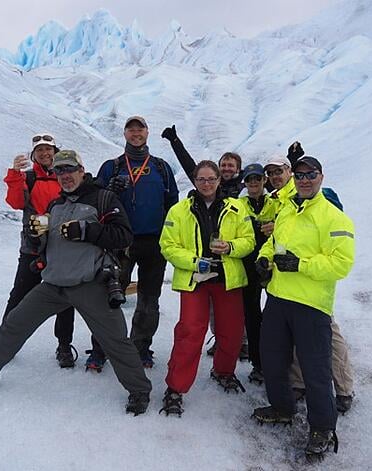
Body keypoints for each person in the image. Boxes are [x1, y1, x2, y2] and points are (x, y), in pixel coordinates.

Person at [0, 150, 152, 416]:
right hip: (53, 284)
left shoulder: (103, 198)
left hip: (90, 284)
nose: (65, 175)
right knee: (14, 324)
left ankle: (139, 391)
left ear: (81, 169)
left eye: (69, 169)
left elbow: (123, 236)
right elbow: (46, 246)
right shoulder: (55, 206)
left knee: (115, 341)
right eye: (59, 171)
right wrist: (36, 236)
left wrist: (87, 230)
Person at [252, 156, 355, 460]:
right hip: (278, 298)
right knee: (272, 359)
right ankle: (282, 408)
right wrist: (265, 258)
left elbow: (341, 264)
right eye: (300, 175)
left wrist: (302, 265)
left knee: (315, 370)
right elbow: (274, 243)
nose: (305, 179)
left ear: (321, 177)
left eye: (310, 174)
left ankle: (322, 427)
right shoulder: (286, 210)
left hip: (311, 304)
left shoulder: (334, 217)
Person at [158, 161, 255, 416]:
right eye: (201, 179)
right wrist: (194, 262)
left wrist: (231, 248)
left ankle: (223, 371)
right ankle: (175, 387)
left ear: (219, 180)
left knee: (232, 332)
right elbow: (167, 245)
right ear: (194, 181)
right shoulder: (179, 211)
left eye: (211, 179)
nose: (207, 184)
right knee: (190, 331)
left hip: (227, 279)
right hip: (195, 280)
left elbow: (249, 240)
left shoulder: (237, 208)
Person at [88, 116, 179, 370]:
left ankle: (141, 349)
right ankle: (101, 349)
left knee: (149, 301)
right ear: (125, 134)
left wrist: (168, 236)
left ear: (147, 133)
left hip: (154, 243)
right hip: (119, 242)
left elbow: (173, 203)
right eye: (131, 129)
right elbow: (95, 200)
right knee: (109, 298)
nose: (136, 133)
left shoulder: (161, 167)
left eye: (140, 129)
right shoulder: (112, 167)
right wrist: (110, 190)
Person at [161, 124, 246, 357]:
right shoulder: (190, 200)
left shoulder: (245, 188)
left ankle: (239, 345)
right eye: (224, 164)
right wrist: (175, 142)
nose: (207, 183)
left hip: (236, 261)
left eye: (231, 166)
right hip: (201, 268)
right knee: (199, 319)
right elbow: (191, 167)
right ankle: (219, 341)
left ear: (238, 170)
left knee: (237, 317)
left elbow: (277, 186)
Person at [2, 133, 76, 368]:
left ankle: (64, 346)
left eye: (49, 149)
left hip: (62, 247)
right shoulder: (29, 178)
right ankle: (4, 341)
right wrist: (14, 175)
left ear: (55, 152)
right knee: (19, 295)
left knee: (65, 300)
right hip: (34, 247)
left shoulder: (66, 176)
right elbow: (16, 202)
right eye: (40, 150)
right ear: (33, 155)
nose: (45, 154)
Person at [239, 163, 279, 385]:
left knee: (275, 318)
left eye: (257, 179)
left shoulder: (277, 204)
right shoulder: (238, 204)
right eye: (249, 180)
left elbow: (289, 225)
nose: (253, 183)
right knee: (252, 317)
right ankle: (258, 363)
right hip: (247, 267)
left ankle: (278, 362)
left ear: (265, 180)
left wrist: (276, 225)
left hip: (273, 266)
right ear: (244, 183)